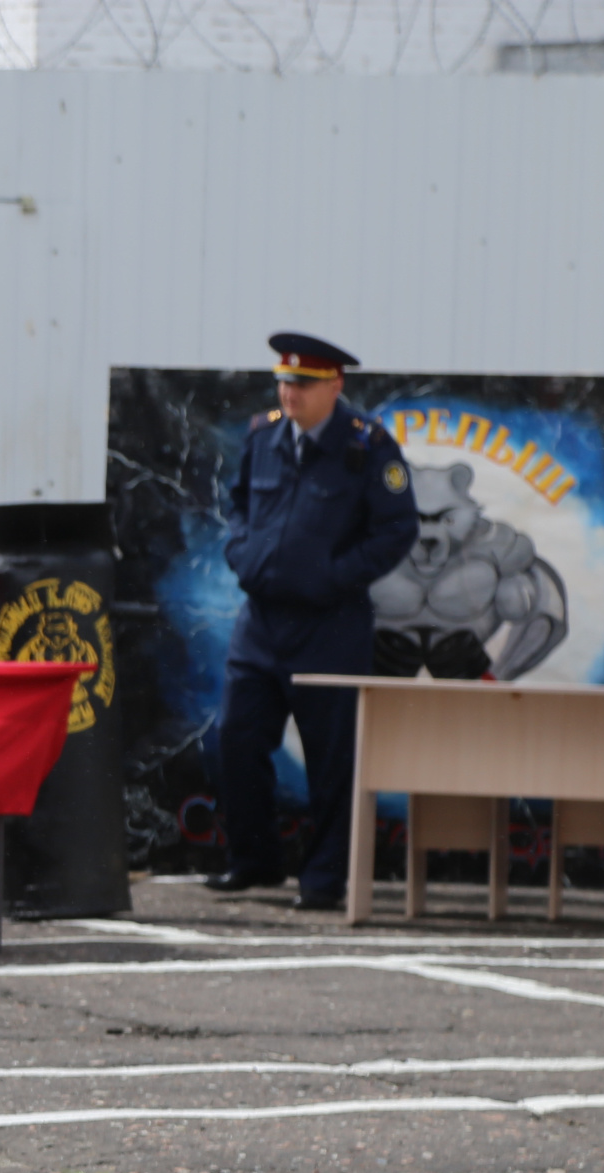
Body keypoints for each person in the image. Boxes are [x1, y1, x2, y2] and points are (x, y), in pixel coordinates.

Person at [212, 332, 420, 910]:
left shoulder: (368, 446)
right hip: (261, 621)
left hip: (330, 625)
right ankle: (253, 860)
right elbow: (237, 507)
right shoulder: (264, 436)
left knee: (331, 758)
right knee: (237, 736)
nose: (289, 392)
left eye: (302, 383)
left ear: (336, 385)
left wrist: (336, 575)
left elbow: (397, 530)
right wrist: (242, 554)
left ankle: (324, 879)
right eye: (283, 381)